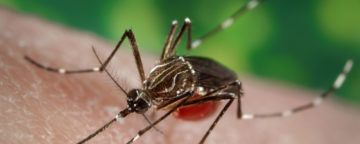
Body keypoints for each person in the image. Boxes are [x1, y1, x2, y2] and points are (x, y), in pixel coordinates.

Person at [1, 7, 360, 144]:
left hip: (199, 83)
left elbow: (223, 89)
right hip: (181, 72)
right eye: (136, 102)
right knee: (171, 27)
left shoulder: (160, 92)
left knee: (229, 88)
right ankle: (94, 68)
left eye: (136, 104)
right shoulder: (149, 85)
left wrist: (140, 131)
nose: (133, 104)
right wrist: (98, 67)